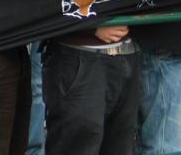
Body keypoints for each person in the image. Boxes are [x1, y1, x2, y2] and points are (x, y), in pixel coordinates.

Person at [42, 24, 139, 155]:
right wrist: (91, 28)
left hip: (127, 51)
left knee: (121, 142)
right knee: (80, 140)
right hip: (79, 53)